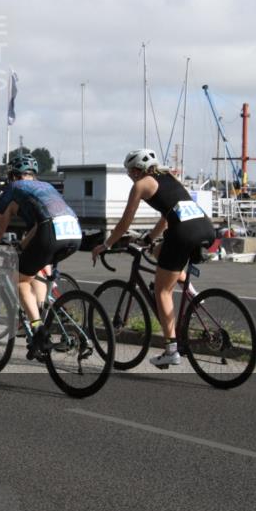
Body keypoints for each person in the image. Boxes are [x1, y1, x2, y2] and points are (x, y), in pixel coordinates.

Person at [91, 148, 215, 368]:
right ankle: (191, 291)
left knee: (162, 290)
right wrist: (150, 238)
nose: (129, 176)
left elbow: (124, 223)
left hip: (183, 234)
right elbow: (169, 216)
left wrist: (107, 244)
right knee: (158, 251)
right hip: (205, 227)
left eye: (129, 172)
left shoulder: (141, 184)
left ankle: (171, 350)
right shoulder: (169, 177)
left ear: (137, 170)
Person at [0, 153, 82, 358]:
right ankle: (44, 318)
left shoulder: (15, 189)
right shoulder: (46, 187)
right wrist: (21, 245)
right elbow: (43, 220)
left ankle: (39, 329)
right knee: (35, 274)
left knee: (21, 280)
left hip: (49, 232)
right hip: (74, 232)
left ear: (14, 176)